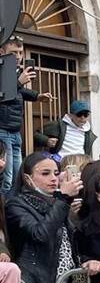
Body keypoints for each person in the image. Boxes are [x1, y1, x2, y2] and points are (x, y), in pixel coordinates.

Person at [5, 153, 83, 283]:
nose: (53, 179)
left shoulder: (57, 203)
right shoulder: (16, 204)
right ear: (28, 178)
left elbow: (68, 243)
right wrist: (62, 199)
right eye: (45, 173)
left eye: (56, 173)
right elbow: (40, 234)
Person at [0, 36, 54, 194]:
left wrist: (38, 96)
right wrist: (18, 82)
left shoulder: (14, 72)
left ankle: (13, 209)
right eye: (14, 52)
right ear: (2, 51)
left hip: (15, 131)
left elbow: (20, 92)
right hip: (3, 130)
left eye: (20, 53)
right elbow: (5, 93)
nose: (18, 57)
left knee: (18, 177)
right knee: (7, 178)